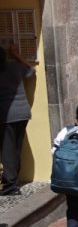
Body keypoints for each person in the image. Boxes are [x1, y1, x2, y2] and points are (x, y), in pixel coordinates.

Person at [0, 44, 35, 195]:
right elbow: (31, 71)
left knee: (8, 151)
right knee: (16, 148)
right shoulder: (15, 67)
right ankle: (13, 180)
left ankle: (10, 186)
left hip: (6, 116)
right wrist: (16, 55)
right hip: (22, 113)